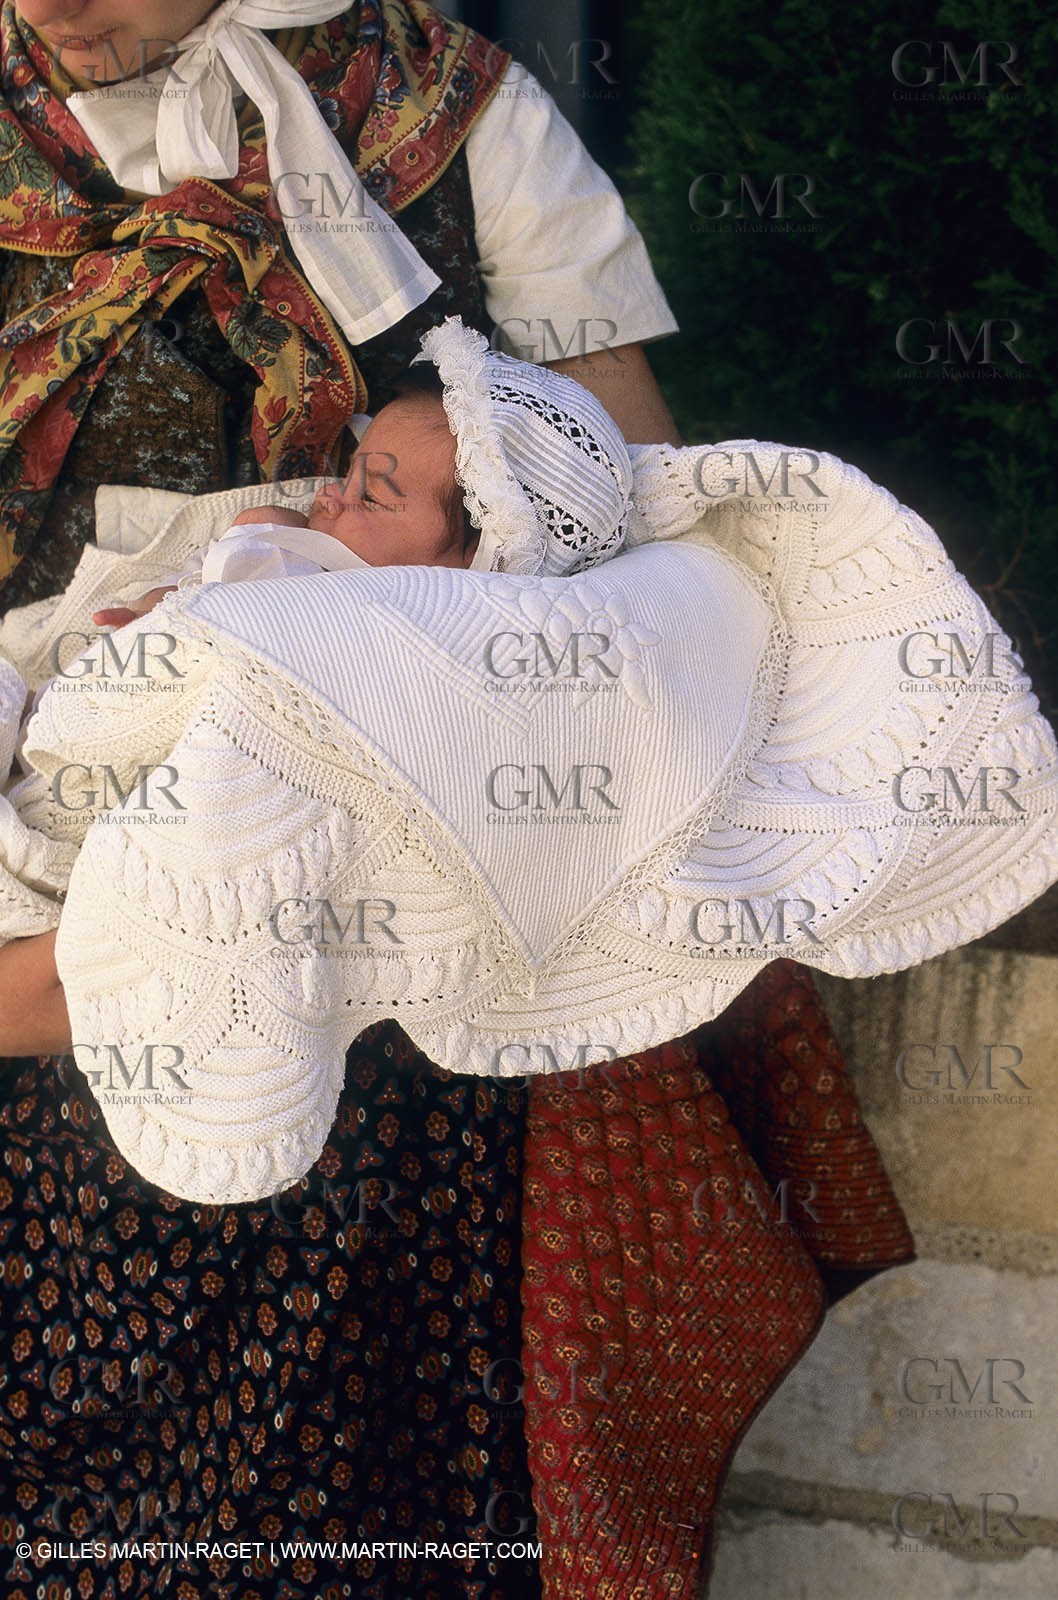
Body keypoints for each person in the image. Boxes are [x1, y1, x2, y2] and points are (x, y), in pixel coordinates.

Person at [0, 6, 915, 1599]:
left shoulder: (444, 113)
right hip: (36, 917)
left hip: (368, 988)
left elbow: (614, 574)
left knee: (323, 1508)